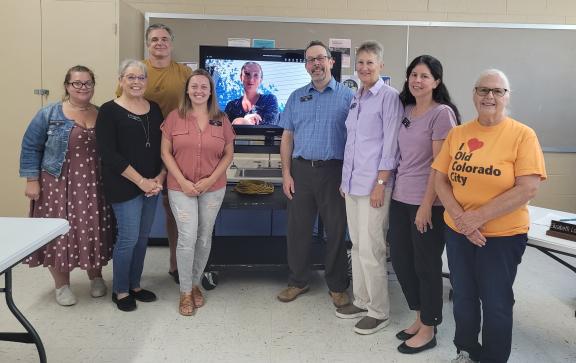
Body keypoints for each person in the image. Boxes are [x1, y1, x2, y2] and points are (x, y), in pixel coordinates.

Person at [432, 69, 546, 363]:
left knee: (496, 302)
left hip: (502, 238)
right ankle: (467, 350)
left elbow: (528, 188)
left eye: (497, 91)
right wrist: (461, 219)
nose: (489, 96)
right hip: (459, 233)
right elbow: (440, 179)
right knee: (464, 298)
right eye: (483, 90)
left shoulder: (523, 135)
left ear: (507, 97)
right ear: (474, 95)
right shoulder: (458, 133)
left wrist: (477, 217)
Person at [19, 65, 114, 306]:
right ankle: (61, 285)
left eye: (88, 83)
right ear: (67, 86)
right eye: (77, 83)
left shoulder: (102, 113)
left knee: (92, 229)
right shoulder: (49, 114)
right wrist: (32, 180)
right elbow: (31, 146)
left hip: (94, 184)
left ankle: (96, 276)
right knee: (59, 233)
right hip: (56, 184)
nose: (83, 87)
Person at [389, 55, 460, 353]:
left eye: (425, 76)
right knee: (402, 262)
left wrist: (425, 205)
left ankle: (429, 328)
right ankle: (419, 317)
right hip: (399, 198)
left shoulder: (441, 114)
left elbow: (439, 165)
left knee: (426, 266)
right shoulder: (406, 110)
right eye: (413, 75)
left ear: (437, 82)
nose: (417, 80)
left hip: (427, 203)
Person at [276, 40, 353, 308]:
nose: (315, 64)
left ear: (331, 61)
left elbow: (356, 139)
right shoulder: (296, 96)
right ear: (306, 66)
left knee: (335, 231)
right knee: (298, 230)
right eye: (310, 60)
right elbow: (287, 137)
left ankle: (337, 285)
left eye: (320, 58)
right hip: (301, 172)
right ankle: (297, 281)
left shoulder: (348, 97)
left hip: (335, 172)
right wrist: (286, 174)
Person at [336, 41, 403, 335]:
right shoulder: (357, 97)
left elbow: (391, 145)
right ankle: (362, 301)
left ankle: (379, 311)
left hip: (375, 186)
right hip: (352, 185)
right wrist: (344, 181)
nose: (364, 68)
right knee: (358, 246)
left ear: (381, 66)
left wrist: (381, 183)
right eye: (360, 63)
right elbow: (352, 144)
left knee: (373, 248)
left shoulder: (389, 98)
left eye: (370, 63)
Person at [161, 69, 234, 316]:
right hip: (180, 187)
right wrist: (182, 181)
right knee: (187, 236)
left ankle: (194, 284)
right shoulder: (174, 117)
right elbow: (165, 153)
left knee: (203, 237)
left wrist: (210, 180)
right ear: (187, 90)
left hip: (212, 187)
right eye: (194, 86)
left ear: (211, 91)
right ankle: (184, 291)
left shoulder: (221, 118)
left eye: (204, 87)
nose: (199, 91)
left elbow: (228, 154)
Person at [97, 59, 166, 312]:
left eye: (141, 78)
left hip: (153, 184)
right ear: (120, 80)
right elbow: (109, 154)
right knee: (128, 238)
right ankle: (121, 290)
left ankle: (135, 285)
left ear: (146, 82)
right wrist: (141, 181)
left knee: (143, 237)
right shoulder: (108, 110)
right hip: (124, 184)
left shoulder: (155, 108)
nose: (136, 82)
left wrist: (160, 177)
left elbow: (162, 147)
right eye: (130, 77)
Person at [127, 23, 192, 283]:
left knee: (174, 211)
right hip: (143, 149)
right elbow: (124, 107)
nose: (160, 43)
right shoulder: (137, 72)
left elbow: (195, 104)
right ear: (148, 44)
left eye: (164, 39)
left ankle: (176, 265)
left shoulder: (184, 72)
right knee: (139, 212)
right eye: (154, 39)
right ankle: (132, 273)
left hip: (177, 150)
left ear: (171, 43)